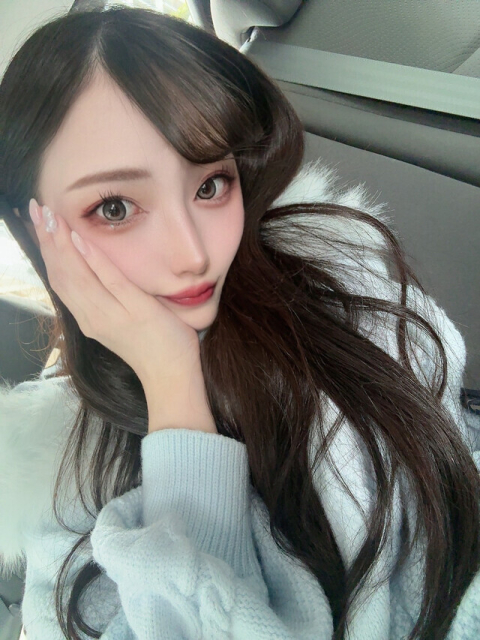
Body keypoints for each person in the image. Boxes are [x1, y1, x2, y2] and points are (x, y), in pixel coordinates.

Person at [0, 5, 479, 640]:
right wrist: (172, 382)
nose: (192, 253)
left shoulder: (341, 286)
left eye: (210, 185)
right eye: (115, 207)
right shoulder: (58, 478)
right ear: (31, 222)